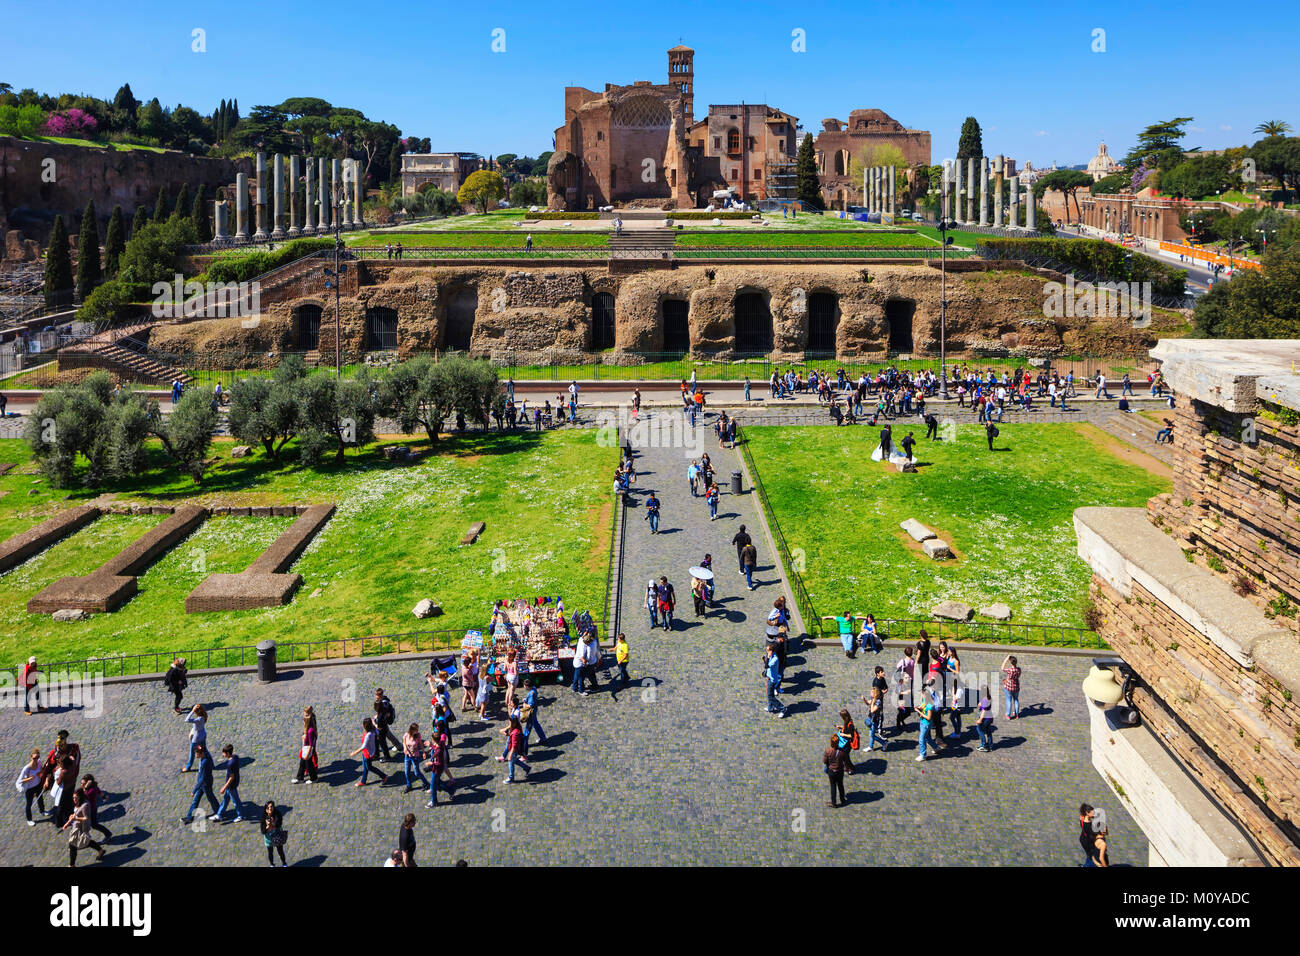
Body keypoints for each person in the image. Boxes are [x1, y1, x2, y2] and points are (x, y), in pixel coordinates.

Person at [62, 791, 105, 867]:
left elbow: (86, 818)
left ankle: (72, 865)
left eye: (76, 797)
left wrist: (76, 818)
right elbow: (75, 814)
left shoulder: (85, 806)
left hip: (82, 827)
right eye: (73, 797)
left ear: (80, 797)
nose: (74, 799)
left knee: (73, 844)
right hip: (76, 826)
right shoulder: (78, 803)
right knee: (85, 842)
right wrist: (67, 823)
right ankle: (100, 850)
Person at [182, 743, 219, 824]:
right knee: (198, 800)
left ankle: (219, 813)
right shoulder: (205, 758)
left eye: (197, 753)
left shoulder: (205, 762)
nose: (195, 755)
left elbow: (202, 779)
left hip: (205, 784)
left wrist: (194, 790)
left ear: (202, 753)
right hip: (204, 783)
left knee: (210, 799)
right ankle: (189, 817)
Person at [350, 718, 390, 787]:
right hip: (366, 752)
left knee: (369, 767)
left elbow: (363, 747)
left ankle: (383, 776)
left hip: (368, 754)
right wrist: (374, 723)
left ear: (364, 726)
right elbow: (377, 732)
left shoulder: (368, 735)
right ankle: (363, 781)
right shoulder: (373, 729)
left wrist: (354, 753)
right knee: (365, 766)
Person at [212, 744, 244, 823]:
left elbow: (231, 777)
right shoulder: (235, 757)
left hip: (231, 785)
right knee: (226, 799)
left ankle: (240, 815)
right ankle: (219, 814)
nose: (223, 754)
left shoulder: (230, 764)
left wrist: (224, 787)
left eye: (224, 753)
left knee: (235, 801)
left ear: (228, 753)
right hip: (233, 783)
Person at [292, 706, 319, 784]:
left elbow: (311, 744)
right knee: (303, 764)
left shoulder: (310, 731)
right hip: (305, 749)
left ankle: (313, 778)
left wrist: (307, 754)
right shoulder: (308, 730)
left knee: (309, 765)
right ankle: (300, 777)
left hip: (308, 750)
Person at [17, 749, 44, 825]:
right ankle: (29, 819)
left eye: (38, 757)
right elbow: (20, 780)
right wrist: (30, 778)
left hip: (38, 785)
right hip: (30, 788)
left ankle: (42, 811)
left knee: (40, 798)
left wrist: (40, 773)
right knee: (29, 804)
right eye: (34, 757)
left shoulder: (39, 763)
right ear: (31, 757)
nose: (36, 759)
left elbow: (41, 770)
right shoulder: (26, 768)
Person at [402, 724, 431, 794]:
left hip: (415, 757)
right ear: (412, 730)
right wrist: (405, 748)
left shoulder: (418, 735)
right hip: (407, 756)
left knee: (417, 773)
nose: (417, 731)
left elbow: (421, 744)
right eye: (416, 730)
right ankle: (409, 785)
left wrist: (424, 752)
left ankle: (426, 783)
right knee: (406, 772)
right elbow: (404, 742)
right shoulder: (406, 735)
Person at [501, 715, 529, 784]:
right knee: (514, 760)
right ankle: (526, 767)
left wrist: (510, 754)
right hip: (515, 749)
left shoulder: (515, 733)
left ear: (513, 723)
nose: (509, 724)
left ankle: (511, 777)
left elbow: (514, 745)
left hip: (514, 750)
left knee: (511, 762)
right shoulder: (517, 726)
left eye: (510, 722)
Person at [374, 688, 400, 759]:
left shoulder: (384, 703)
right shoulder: (383, 700)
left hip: (384, 722)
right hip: (384, 722)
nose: (376, 697)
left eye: (377, 695)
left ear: (381, 695)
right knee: (388, 734)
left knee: (386, 735)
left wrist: (377, 718)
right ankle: (398, 745)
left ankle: (398, 745)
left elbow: (384, 712)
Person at [823, 736, 849, 808]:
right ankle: (842, 800)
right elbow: (845, 761)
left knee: (833, 786)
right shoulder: (842, 751)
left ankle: (833, 803)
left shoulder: (828, 751)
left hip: (831, 771)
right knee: (840, 785)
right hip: (840, 771)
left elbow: (824, 761)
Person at [182, 703, 207, 772]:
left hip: (197, 738)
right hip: (203, 735)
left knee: (192, 752)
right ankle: (210, 763)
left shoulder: (198, 719)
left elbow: (186, 720)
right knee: (204, 750)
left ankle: (188, 767)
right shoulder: (204, 717)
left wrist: (192, 711)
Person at [261, 801, 287, 867]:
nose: (270, 809)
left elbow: (279, 824)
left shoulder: (277, 814)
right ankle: (272, 864)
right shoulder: (263, 818)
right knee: (270, 852)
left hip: (277, 835)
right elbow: (263, 831)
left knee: (280, 851)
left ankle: (284, 863)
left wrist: (273, 824)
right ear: (266, 809)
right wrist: (267, 826)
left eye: (271, 807)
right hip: (268, 838)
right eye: (268, 807)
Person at [764, 646, 786, 717]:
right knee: (770, 694)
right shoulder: (771, 656)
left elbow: (766, 666)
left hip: (772, 680)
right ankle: (770, 708)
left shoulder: (775, 659)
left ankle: (782, 708)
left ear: (771, 651)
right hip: (769, 677)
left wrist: (767, 657)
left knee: (770, 696)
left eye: (767, 650)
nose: (766, 651)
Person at [1001, 655, 1022, 719]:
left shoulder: (1010, 670)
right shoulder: (1019, 669)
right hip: (1016, 687)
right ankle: (1016, 714)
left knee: (1008, 700)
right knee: (1016, 700)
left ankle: (1008, 714)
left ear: (1010, 663)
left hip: (1009, 687)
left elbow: (1002, 668)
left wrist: (1006, 659)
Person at [975, 686, 994, 752]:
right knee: (988, 731)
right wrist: (980, 704)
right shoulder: (988, 697)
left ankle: (984, 745)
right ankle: (990, 745)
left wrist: (980, 720)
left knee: (979, 729)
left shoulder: (985, 700)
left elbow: (984, 711)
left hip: (986, 718)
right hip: (990, 717)